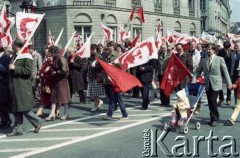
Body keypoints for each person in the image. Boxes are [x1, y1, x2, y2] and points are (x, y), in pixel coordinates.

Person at [7, 38, 42, 136]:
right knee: (16, 109)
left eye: (12, 44)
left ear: (16, 46)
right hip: (14, 86)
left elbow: (28, 72)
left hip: (22, 86)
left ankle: (37, 122)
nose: (11, 46)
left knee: (24, 109)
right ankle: (17, 129)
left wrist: (15, 68)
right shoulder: (15, 56)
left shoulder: (27, 56)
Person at [196, 43, 232, 127]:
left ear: (214, 50)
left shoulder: (220, 59)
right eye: (207, 49)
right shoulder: (203, 60)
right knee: (210, 101)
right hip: (207, 83)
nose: (208, 50)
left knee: (212, 100)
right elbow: (198, 70)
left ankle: (215, 118)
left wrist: (229, 83)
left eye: (210, 49)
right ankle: (212, 117)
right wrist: (195, 77)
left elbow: (225, 72)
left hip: (216, 83)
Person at [101, 41, 128, 120]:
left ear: (114, 47)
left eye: (110, 46)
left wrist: (112, 65)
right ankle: (110, 114)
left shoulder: (117, 56)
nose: (109, 47)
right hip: (108, 80)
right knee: (112, 98)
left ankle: (125, 115)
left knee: (119, 99)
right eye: (108, 46)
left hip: (116, 80)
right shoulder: (106, 56)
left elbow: (121, 67)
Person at [46, 46, 71, 121]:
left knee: (64, 98)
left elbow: (65, 70)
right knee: (54, 97)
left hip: (62, 80)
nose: (50, 55)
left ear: (54, 52)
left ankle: (66, 114)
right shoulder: (57, 58)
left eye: (51, 53)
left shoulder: (61, 58)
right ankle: (52, 113)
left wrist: (56, 72)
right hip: (58, 80)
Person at [87, 44, 105, 111]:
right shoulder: (90, 56)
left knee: (96, 92)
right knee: (93, 92)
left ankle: (96, 104)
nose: (92, 51)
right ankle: (98, 102)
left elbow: (102, 66)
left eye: (93, 49)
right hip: (91, 75)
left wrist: (95, 66)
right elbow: (88, 65)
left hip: (97, 75)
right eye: (91, 49)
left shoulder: (99, 57)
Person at [35, 52, 54, 116]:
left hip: (52, 84)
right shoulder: (45, 64)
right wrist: (40, 74)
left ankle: (55, 111)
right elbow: (41, 72)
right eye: (47, 56)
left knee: (53, 98)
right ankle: (40, 111)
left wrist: (45, 73)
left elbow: (53, 74)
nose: (48, 58)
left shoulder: (54, 64)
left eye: (50, 56)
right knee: (43, 97)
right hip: (45, 83)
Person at [217, 41, 234, 106]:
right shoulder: (220, 51)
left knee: (229, 85)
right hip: (221, 70)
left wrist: (232, 71)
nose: (226, 49)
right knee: (220, 85)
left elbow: (232, 62)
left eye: (227, 48)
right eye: (225, 48)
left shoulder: (232, 52)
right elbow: (218, 60)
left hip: (229, 70)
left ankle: (228, 99)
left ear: (229, 47)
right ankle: (221, 99)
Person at [0, 46, 12, 129]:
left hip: (3, 84)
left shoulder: (6, 57)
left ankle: (7, 121)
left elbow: (6, 70)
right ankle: (3, 121)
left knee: (3, 104)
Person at [227, 61, 240, 125]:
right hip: (239, 96)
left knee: (237, 108)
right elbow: (236, 84)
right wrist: (232, 86)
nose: (239, 72)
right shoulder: (239, 78)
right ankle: (232, 119)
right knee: (237, 108)